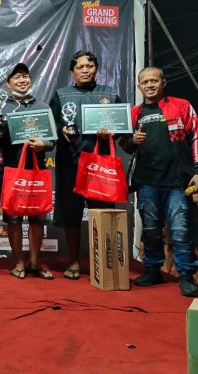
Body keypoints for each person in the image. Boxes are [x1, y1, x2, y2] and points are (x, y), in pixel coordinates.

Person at [121, 66, 198, 297]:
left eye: (154, 81)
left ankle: (186, 275)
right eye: (145, 82)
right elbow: (125, 144)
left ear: (163, 83)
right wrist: (133, 141)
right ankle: (152, 270)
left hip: (178, 182)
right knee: (151, 230)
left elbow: (197, 136)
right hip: (147, 181)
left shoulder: (181, 106)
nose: (150, 85)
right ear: (139, 86)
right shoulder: (134, 113)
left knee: (181, 230)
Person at [49, 50, 120, 280]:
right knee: (71, 216)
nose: (85, 70)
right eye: (80, 67)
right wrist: (60, 130)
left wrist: (110, 133)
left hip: (100, 165)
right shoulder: (61, 95)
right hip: (70, 164)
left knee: (103, 214)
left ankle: (105, 264)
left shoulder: (110, 94)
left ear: (96, 69)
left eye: (89, 66)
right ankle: (74, 262)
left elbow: (121, 127)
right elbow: (50, 126)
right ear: (72, 71)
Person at [0, 63, 54, 279]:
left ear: (30, 80)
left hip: (36, 169)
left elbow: (52, 141)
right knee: (13, 219)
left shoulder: (42, 106)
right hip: (10, 170)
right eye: (16, 77)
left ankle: (34, 262)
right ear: (8, 83)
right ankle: (19, 263)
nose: (22, 80)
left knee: (38, 218)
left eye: (25, 76)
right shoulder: (1, 108)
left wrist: (43, 144)